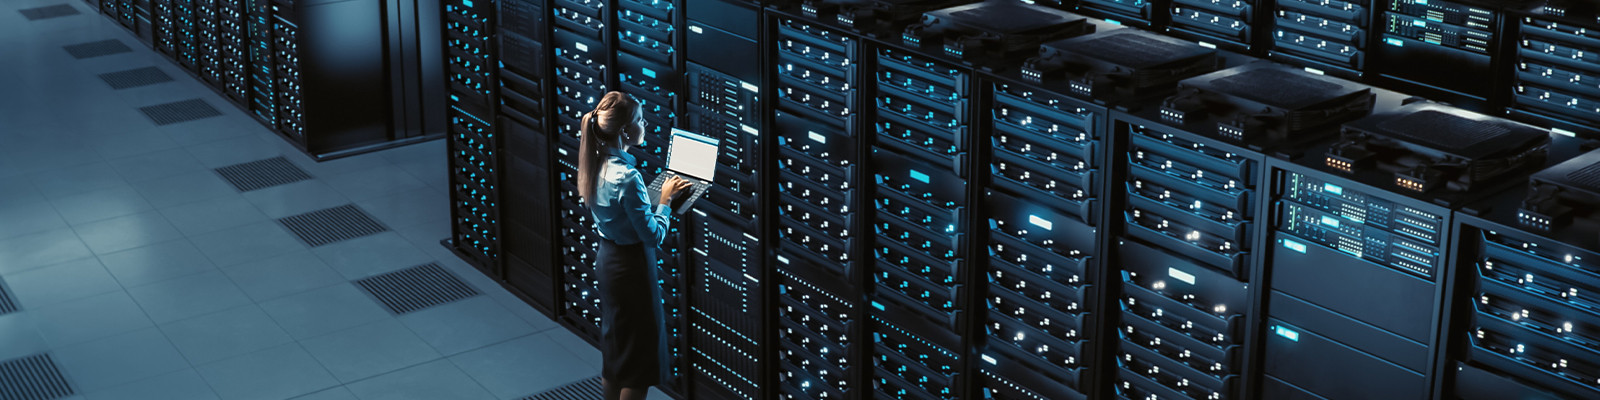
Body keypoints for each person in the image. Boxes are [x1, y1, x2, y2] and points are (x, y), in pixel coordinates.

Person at [577, 91, 693, 400]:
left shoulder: (594, 161)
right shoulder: (628, 177)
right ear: (626, 131)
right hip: (632, 268)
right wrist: (665, 201)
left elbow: (622, 214)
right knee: (639, 364)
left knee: (617, 350)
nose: (645, 124)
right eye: (640, 120)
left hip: (608, 260)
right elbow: (653, 236)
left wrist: (648, 201)